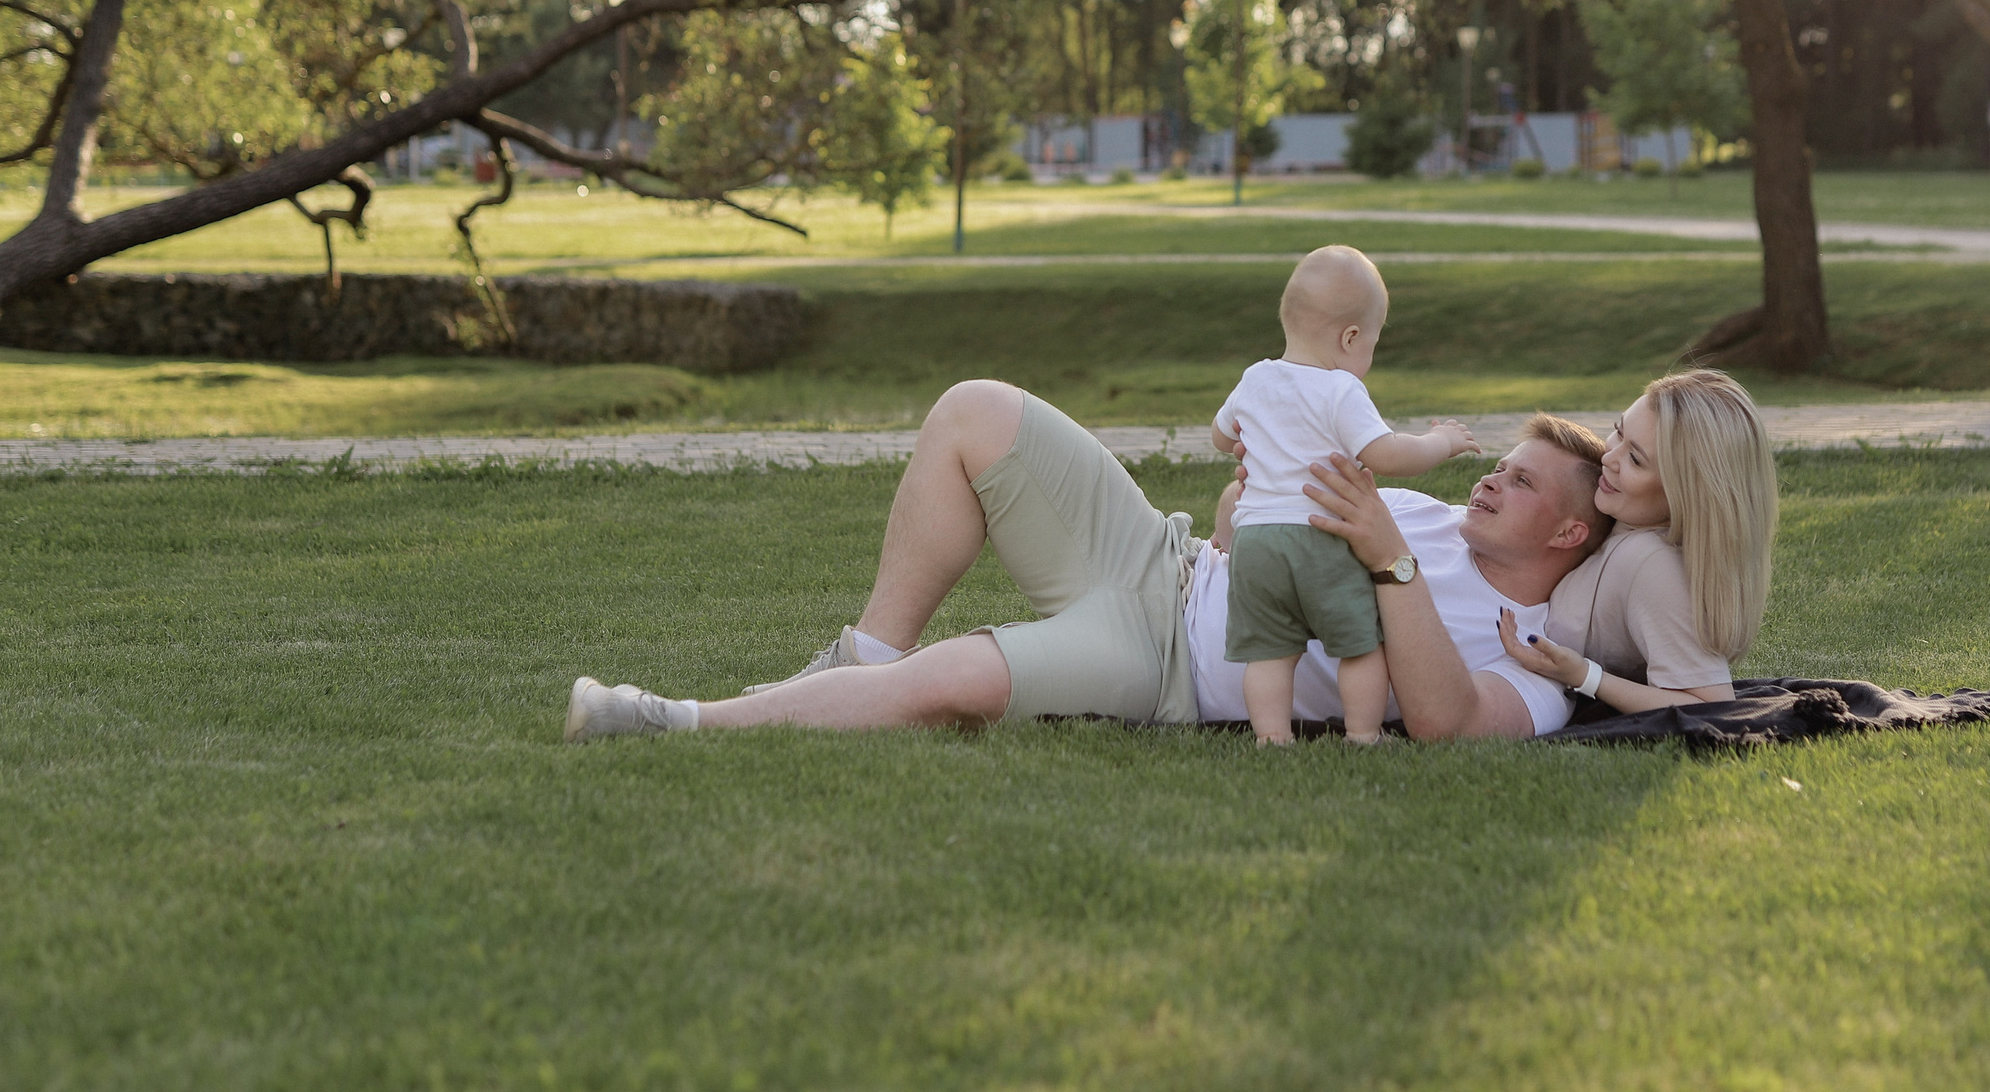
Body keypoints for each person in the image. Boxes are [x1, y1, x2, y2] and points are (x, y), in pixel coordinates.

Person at [562, 382, 1610, 742]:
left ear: (1568, 535)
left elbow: (1447, 726)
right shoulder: (1425, 505)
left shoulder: (1538, 662)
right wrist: (1240, 507)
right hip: (1160, 554)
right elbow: (1258, 535)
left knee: (961, 680)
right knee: (975, 413)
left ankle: (675, 719)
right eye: (1500, 466)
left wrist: (1387, 561)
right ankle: (858, 658)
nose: (1490, 484)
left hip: (1162, 663)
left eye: (1520, 485)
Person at [1213, 245, 1481, 744]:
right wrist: (1439, 442)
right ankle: (1363, 735)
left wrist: (1245, 442)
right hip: (1319, 538)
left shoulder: (1255, 377)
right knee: (1360, 647)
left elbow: (1222, 435)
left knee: (1269, 652)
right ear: (1351, 336)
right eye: (1371, 345)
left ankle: (1271, 740)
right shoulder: (1340, 389)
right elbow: (1386, 454)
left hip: (1254, 544)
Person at [1494, 369, 1777, 712]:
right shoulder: (1621, 518)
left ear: (1684, 494)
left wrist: (1585, 676)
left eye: (1636, 459)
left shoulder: (1652, 565)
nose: (1608, 458)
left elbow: (1711, 706)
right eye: (1618, 432)